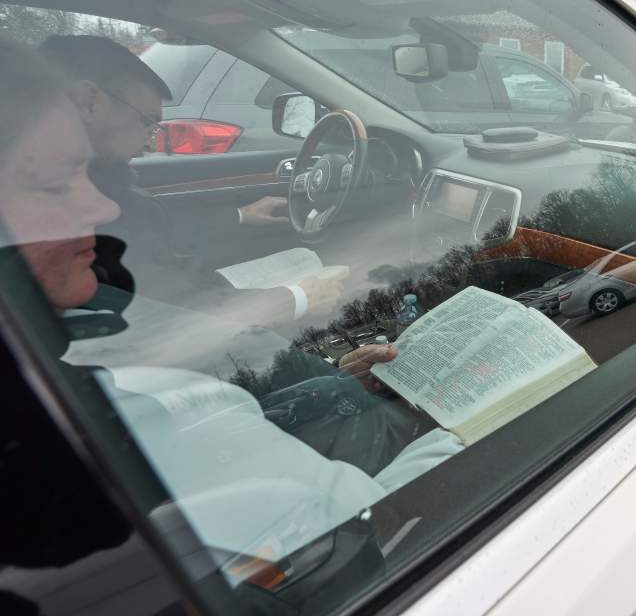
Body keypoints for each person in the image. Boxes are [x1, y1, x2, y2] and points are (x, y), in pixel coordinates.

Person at [0, 39, 458, 579]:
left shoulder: (55, 345)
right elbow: (375, 529)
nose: (100, 211)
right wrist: (482, 436)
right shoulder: (100, 408)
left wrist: (334, 376)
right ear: (92, 100)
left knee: (341, 386)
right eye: (54, 185)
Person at [39, 35, 342, 324]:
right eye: (148, 122)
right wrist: (299, 298)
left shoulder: (89, 184)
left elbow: (149, 238)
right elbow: (178, 310)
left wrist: (239, 215)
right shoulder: (84, 203)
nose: (148, 144)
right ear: (89, 102)